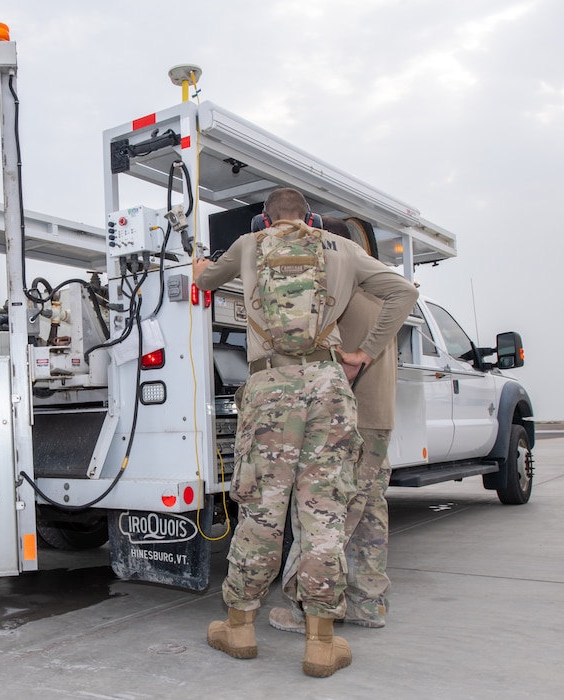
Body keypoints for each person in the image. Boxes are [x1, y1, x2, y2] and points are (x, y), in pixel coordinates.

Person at [192, 189, 417, 677]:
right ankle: (321, 643)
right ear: (311, 218)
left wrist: (197, 265)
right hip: (328, 383)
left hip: (271, 383)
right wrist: (367, 352)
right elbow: (404, 293)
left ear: (263, 219)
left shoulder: (250, 244)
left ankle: (239, 627)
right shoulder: (342, 249)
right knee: (325, 512)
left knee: (263, 510)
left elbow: (207, 281)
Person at [270, 216, 401, 637]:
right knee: (368, 516)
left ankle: (304, 609)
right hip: (377, 421)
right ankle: (367, 603)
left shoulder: (340, 296)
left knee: (323, 517)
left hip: (345, 423)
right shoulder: (380, 297)